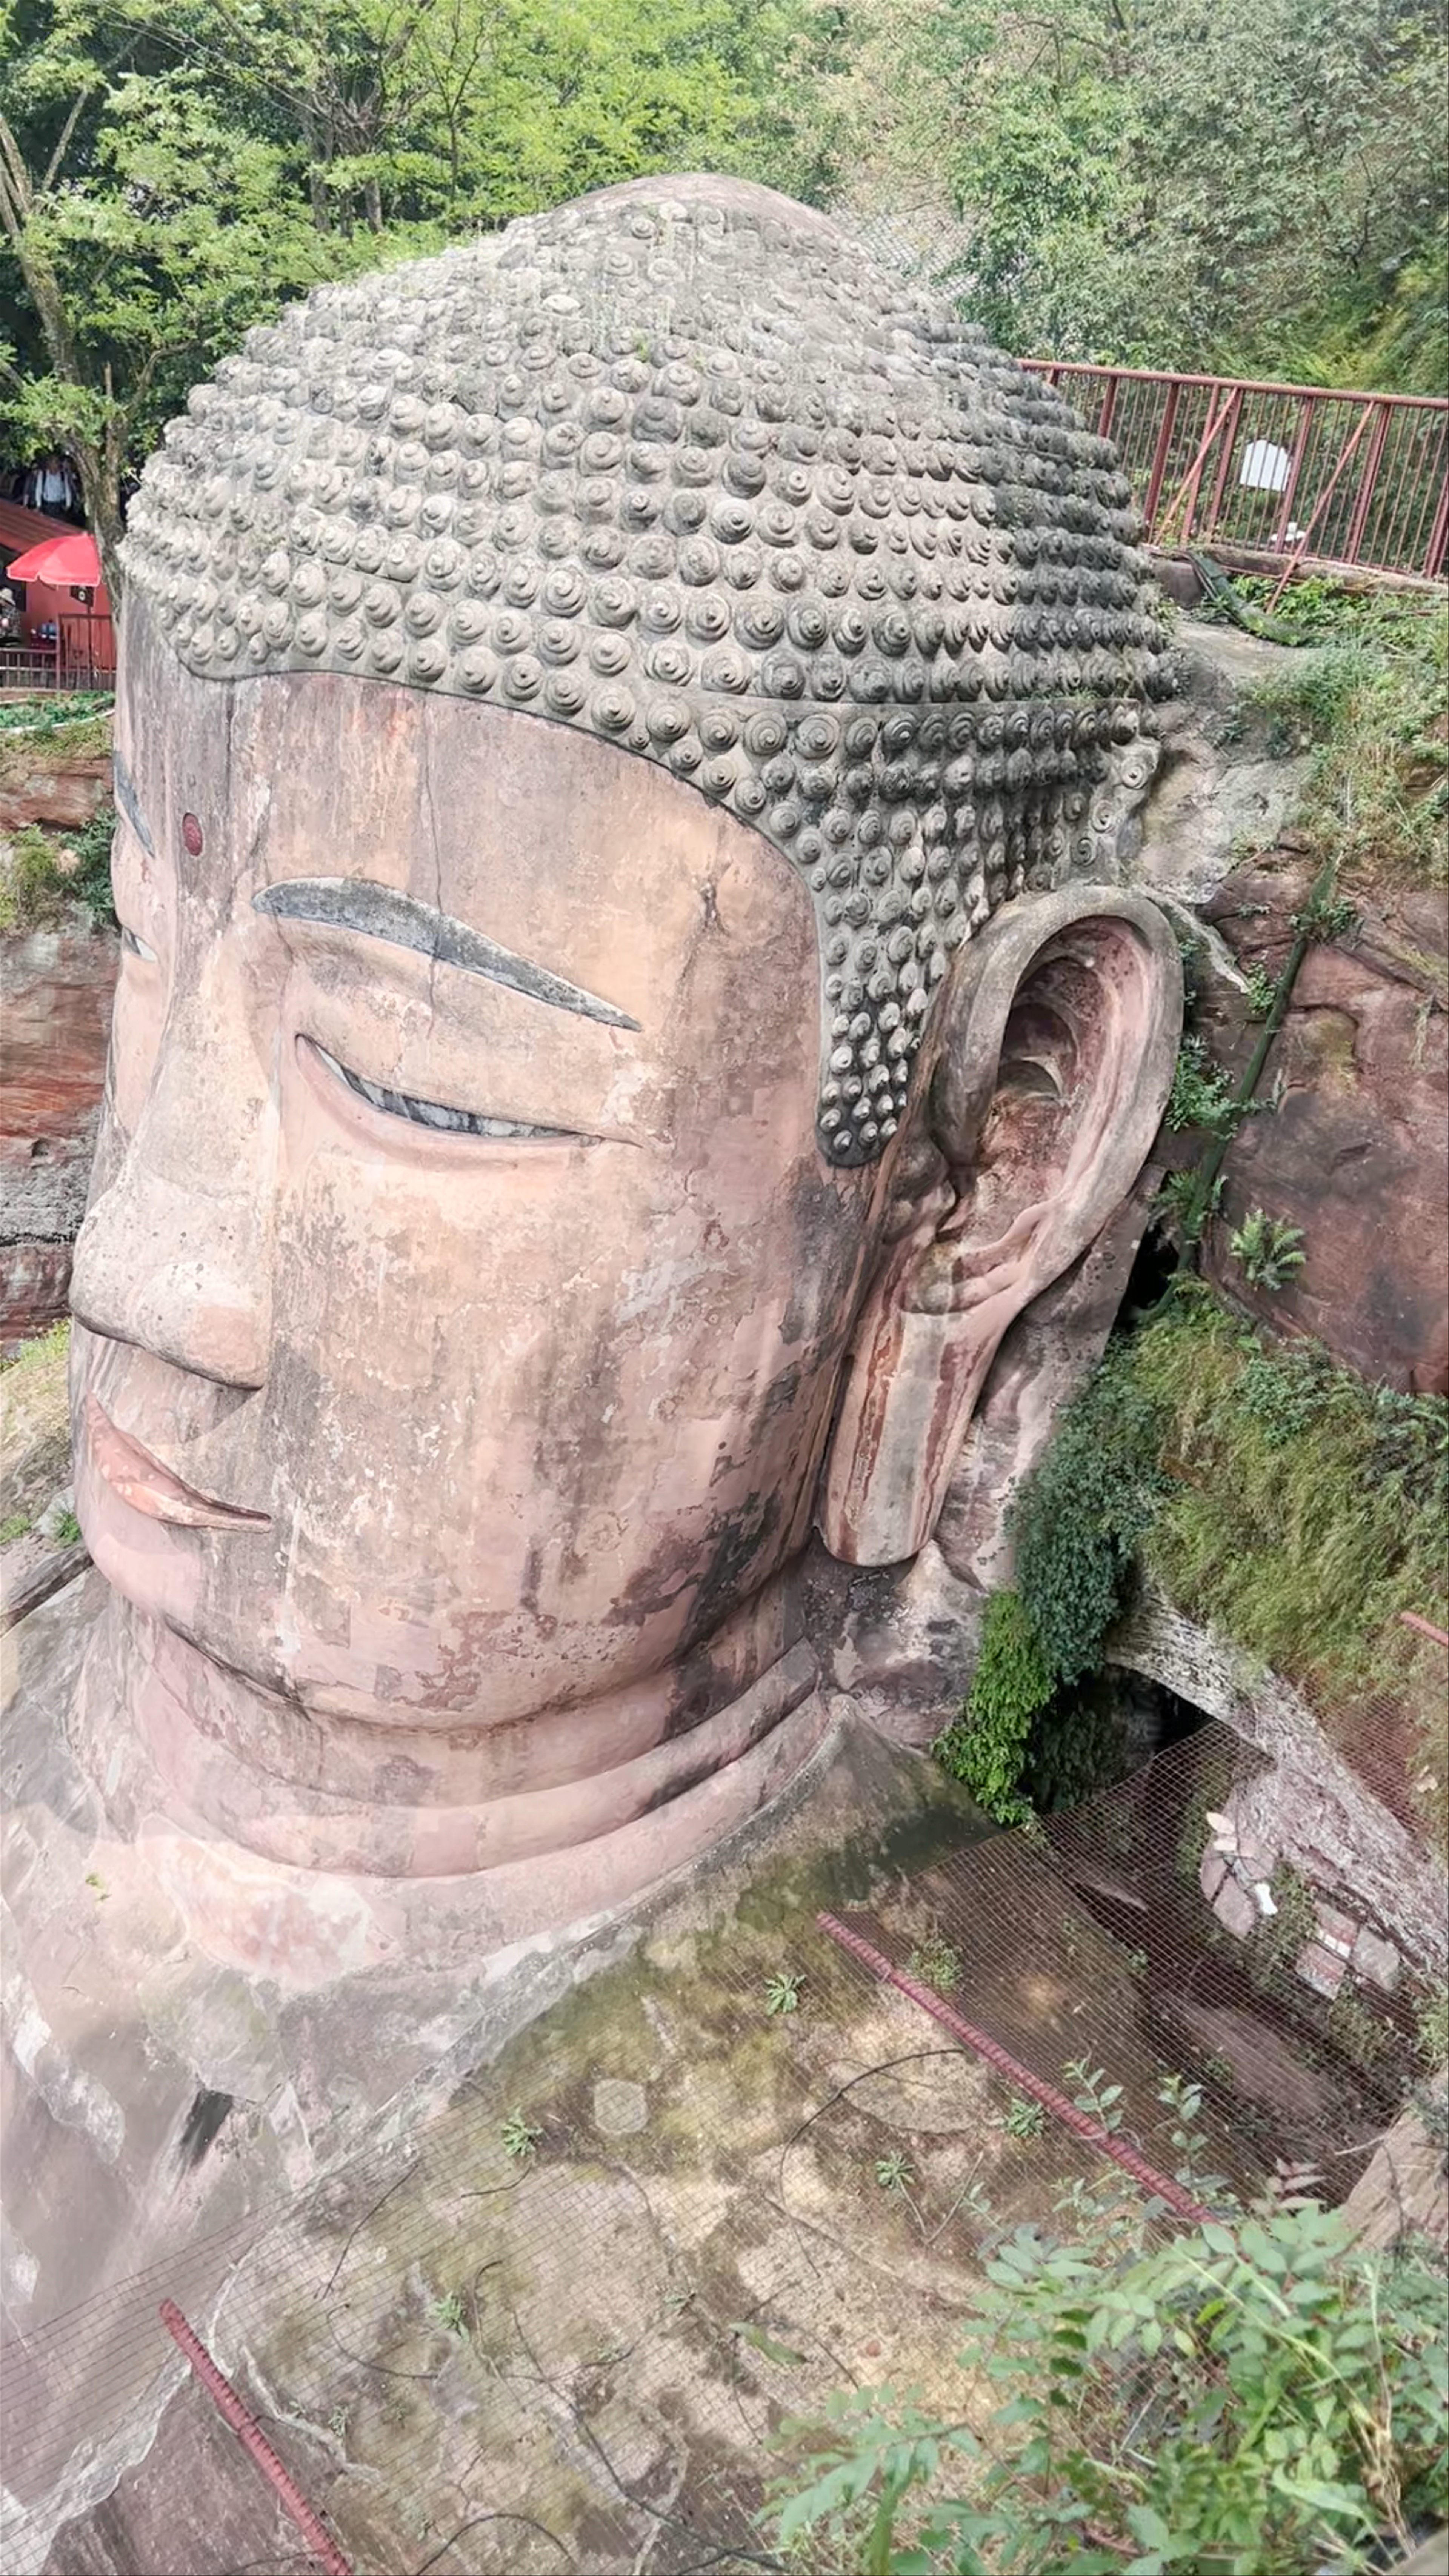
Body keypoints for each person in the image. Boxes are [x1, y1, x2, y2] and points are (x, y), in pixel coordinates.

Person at [65, 174, 1180, 1967]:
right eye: (139, 935)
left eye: (412, 1084)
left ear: (986, 1174)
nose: (128, 1269)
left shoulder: (838, 2191)